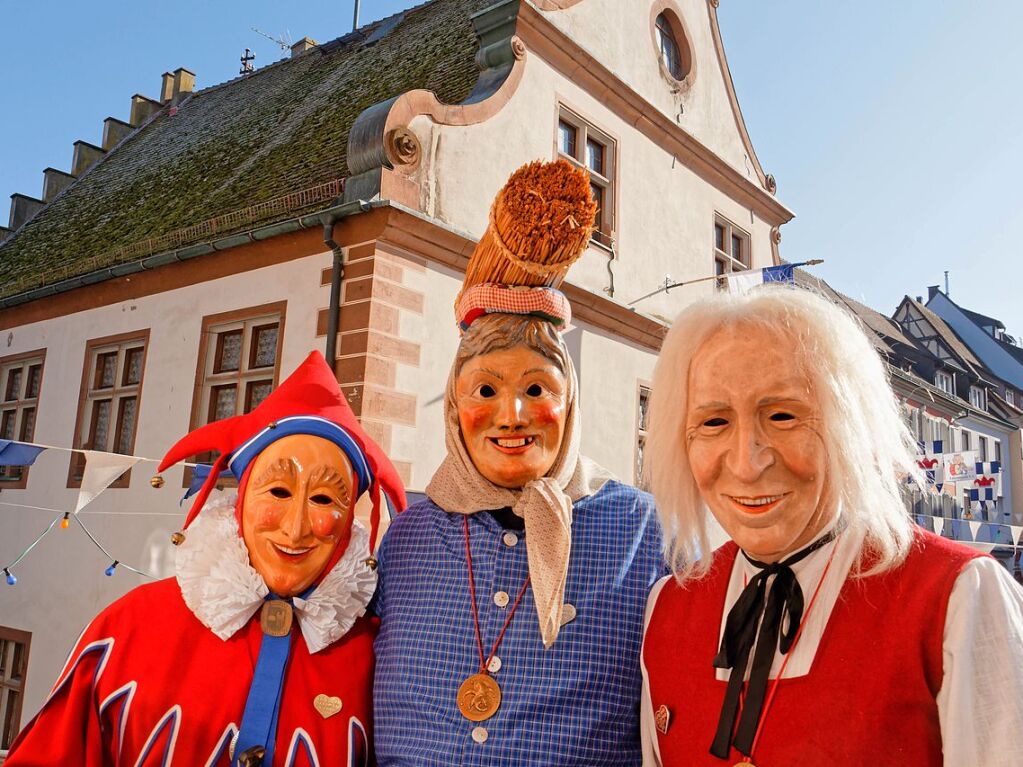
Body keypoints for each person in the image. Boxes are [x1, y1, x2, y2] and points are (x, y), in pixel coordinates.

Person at [639, 286, 1023, 766]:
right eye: (714, 423)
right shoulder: (668, 607)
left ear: (849, 428)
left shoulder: (960, 597)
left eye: (783, 416)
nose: (746, 463)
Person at [5, 351, 405, 766]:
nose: (296, 528)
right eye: (278, 492)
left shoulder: (377, 659)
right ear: (240, 500)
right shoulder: (126, 630)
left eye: (323, 499)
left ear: (349, 522)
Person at [372, 285, 664, 765]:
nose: (511, 417)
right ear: (454, 405)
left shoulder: (644, 532)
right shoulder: (406, 538)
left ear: (569, 402)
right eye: (486, 390)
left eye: (536, 390)